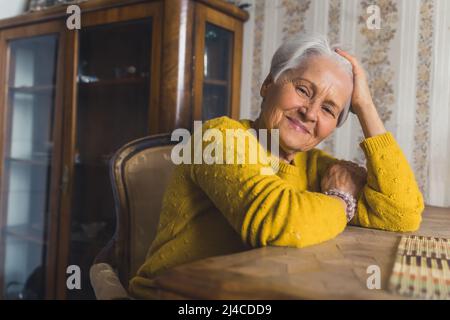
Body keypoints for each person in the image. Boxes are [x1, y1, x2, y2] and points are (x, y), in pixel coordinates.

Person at [129, 34, 424, 299]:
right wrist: (340, 201)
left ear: (332, 127)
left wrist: (365, 107)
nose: (309, 113)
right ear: (268, 84)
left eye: (328, 109)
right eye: (304, 90)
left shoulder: (314, 165)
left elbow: (401, 213)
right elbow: (276, 221)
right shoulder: (218, 138)